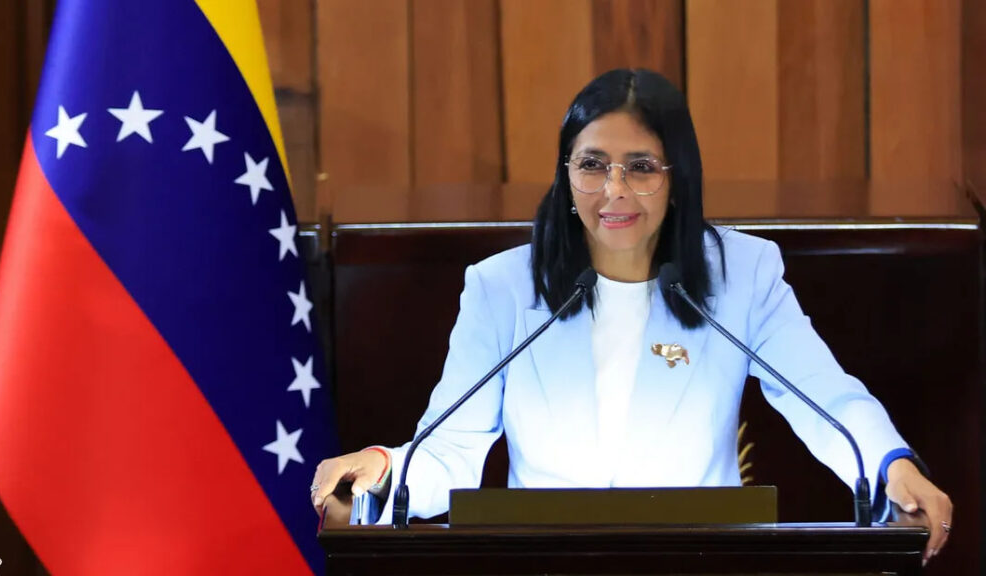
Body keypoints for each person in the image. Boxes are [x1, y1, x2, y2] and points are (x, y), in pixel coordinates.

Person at [310, 68, 952, 563]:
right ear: (566, 175)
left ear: (678, 178)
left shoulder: (743, 274)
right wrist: (380, 471)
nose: (613, 190)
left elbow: (828, 401)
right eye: (592, 166)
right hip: (546, 565)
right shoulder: (501, 287)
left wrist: (892, 467)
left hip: (705, 563)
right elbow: (450, 448)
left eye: (640, 168)